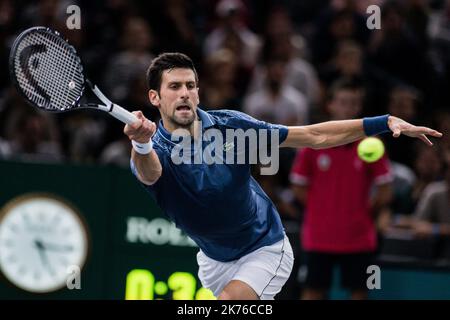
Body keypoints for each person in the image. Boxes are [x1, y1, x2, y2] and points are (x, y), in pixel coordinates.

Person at [123, 53, 442, 300]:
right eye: (174, 86)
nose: (184, 94)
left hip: (264, 247)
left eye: (190, 85)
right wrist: (141, 141)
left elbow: (314, 135)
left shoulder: (232, 127)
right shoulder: (152, 151)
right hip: (212, 261)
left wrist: (383, 122)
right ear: (154, 97)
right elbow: (151, 173)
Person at [290, 78, 393, 300]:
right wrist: (324, 210)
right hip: (317, 237)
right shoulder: (312, 144)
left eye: (354, 103)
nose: (349, 108)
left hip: (360, 239)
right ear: (331, 105)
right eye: (343, 102)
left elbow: (385, 190)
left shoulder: (371, 143)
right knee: (311, 293)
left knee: (361, 293)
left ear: (360, 108)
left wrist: (362, 212)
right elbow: (299, 187)